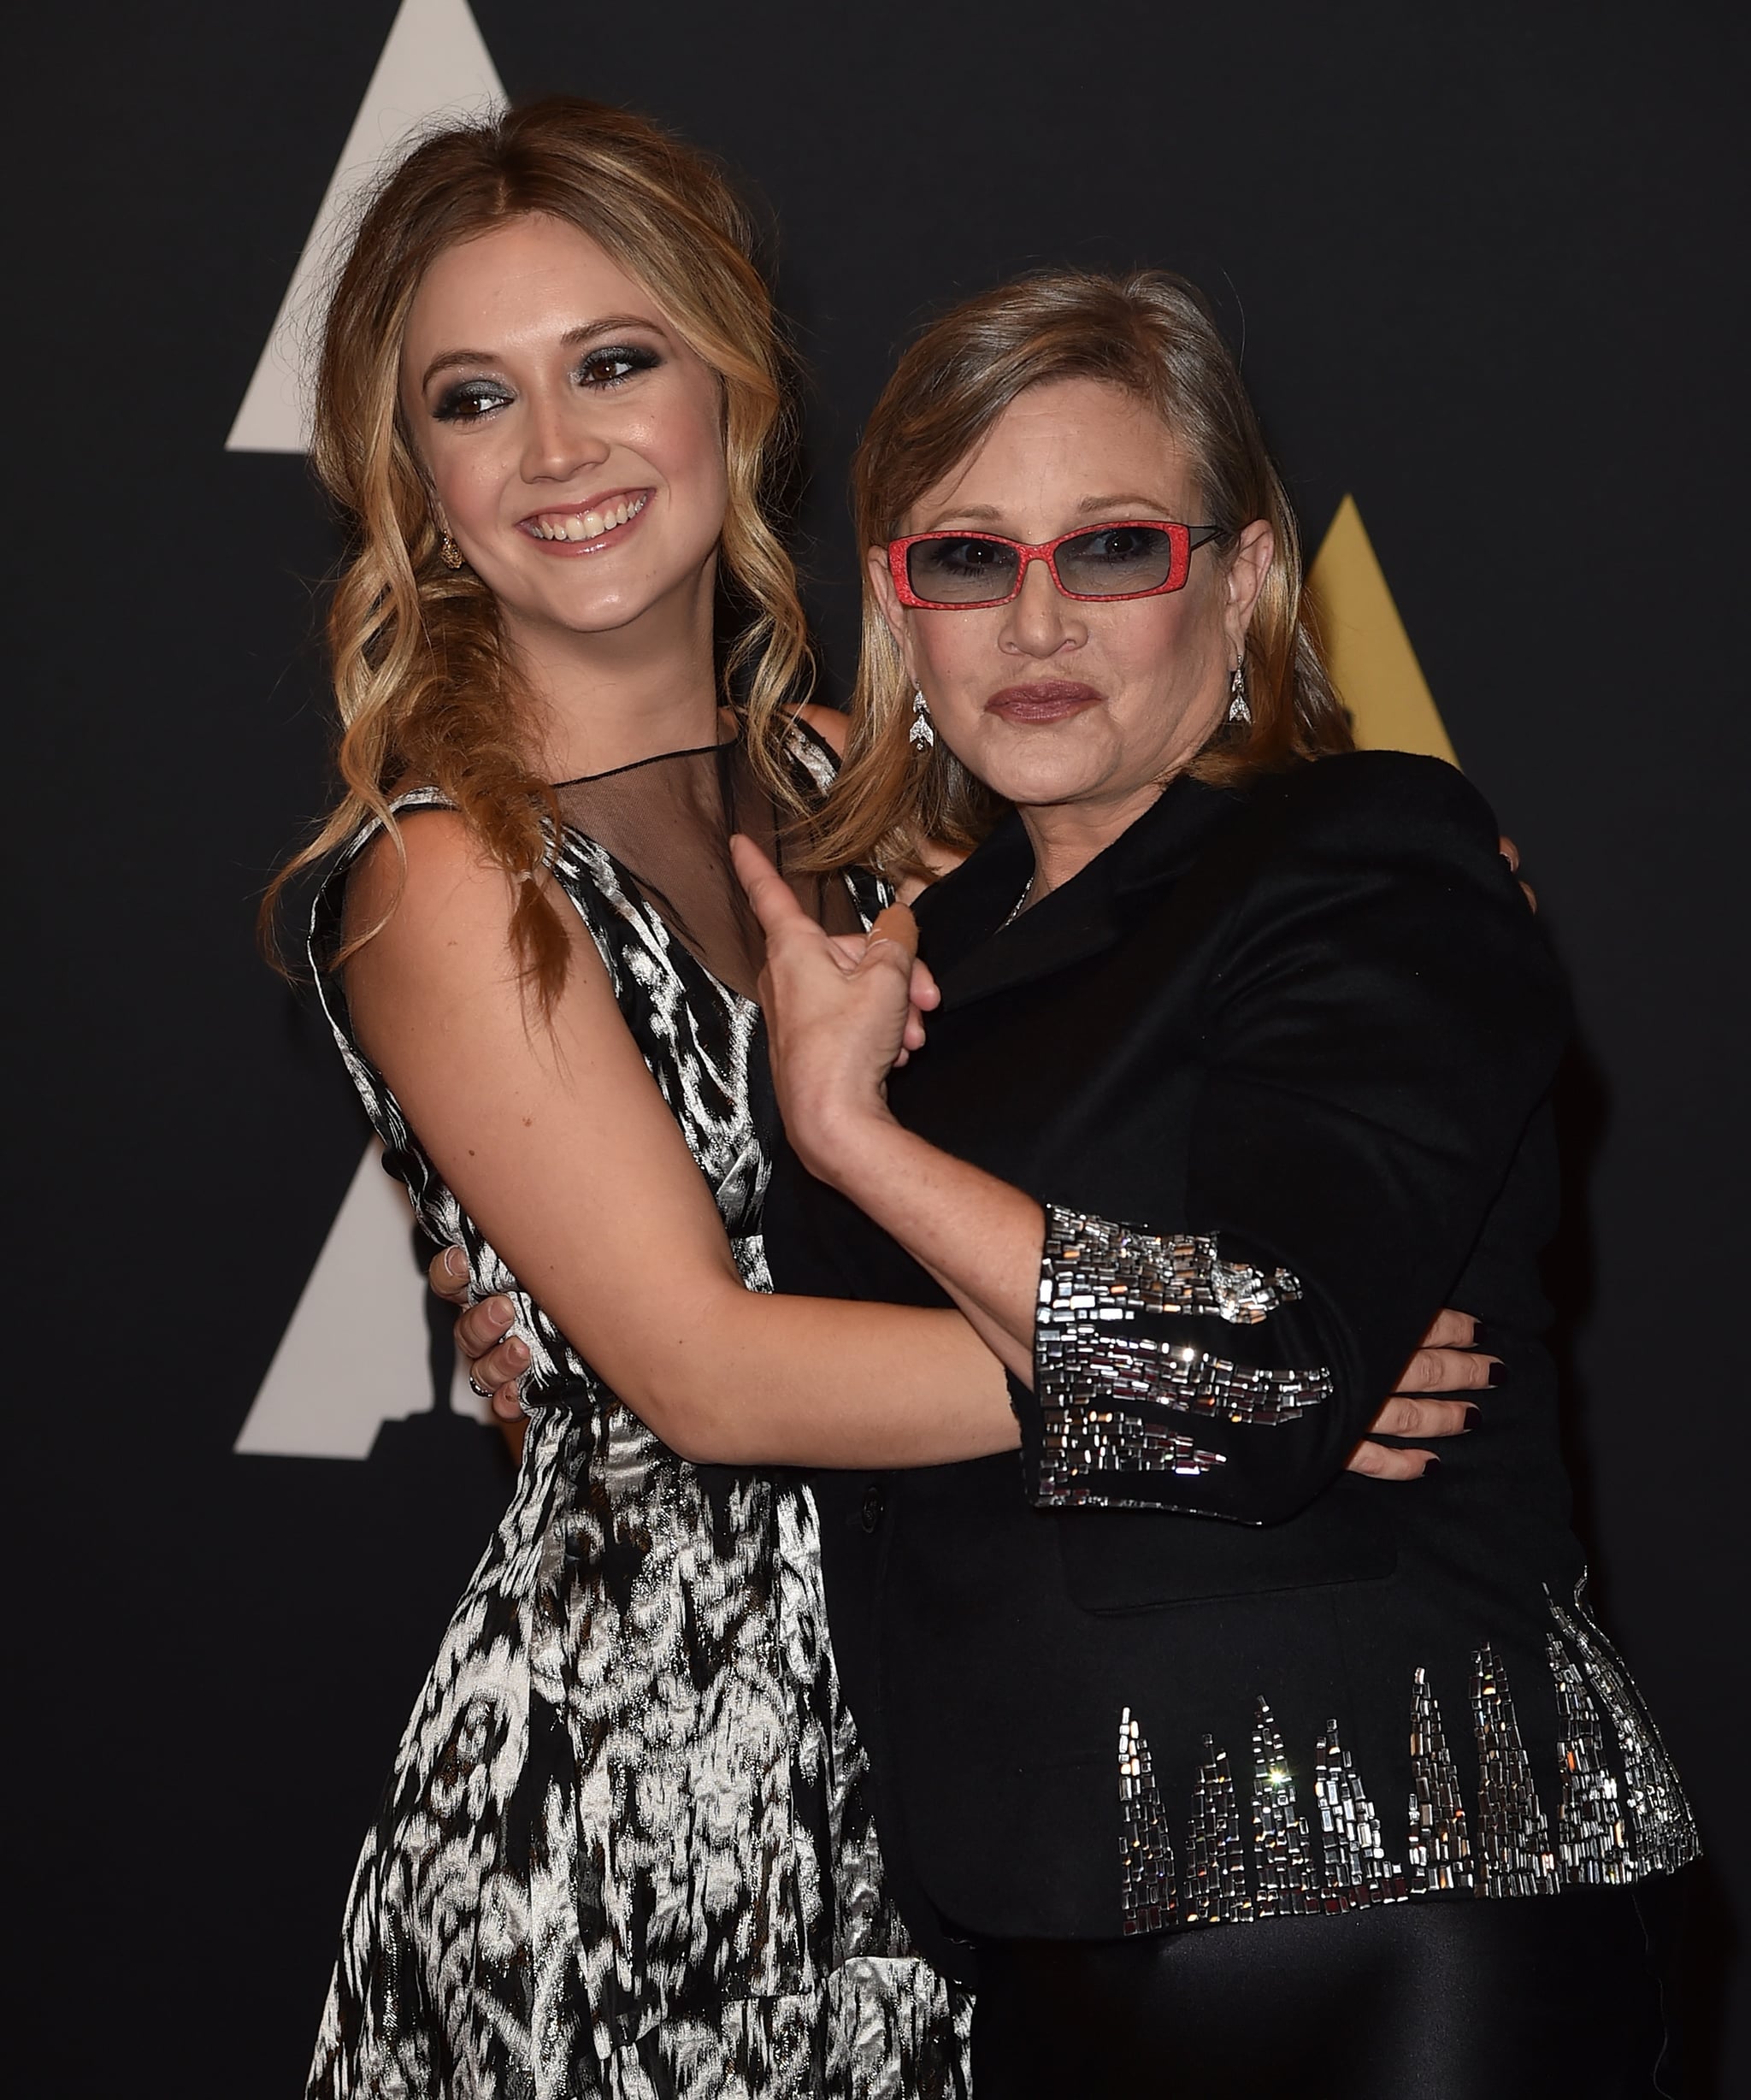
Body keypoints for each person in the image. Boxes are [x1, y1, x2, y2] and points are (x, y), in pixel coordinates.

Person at [283, 95, 1503, 2097]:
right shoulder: (448, 869)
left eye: (614, 362)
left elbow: (1240, 986)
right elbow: (705, 1377)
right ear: (408, 478)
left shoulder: (872, 796)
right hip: (645, 1805)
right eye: (472, 401)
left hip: (954, 1758)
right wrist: (1228, 1382)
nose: (562, 450)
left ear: (735, 391)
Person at [724, 269, 1699, 2097]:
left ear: (1243, 578)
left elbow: (1262, 1380)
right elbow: (798, 1385)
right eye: (964, 559)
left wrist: (859, 1144)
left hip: (1399, 1910)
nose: (1035, 621)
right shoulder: (899, 967)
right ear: (892, 599)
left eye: (1111, 550)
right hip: (1016, 1916)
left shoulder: (1373, 859)